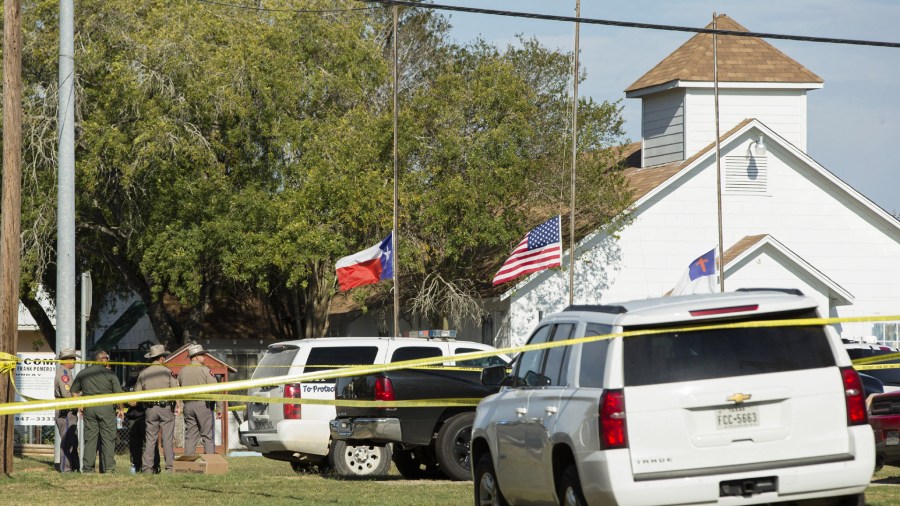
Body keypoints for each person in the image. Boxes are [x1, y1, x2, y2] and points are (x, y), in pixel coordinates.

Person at [70, 350, 125, 473]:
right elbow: (119, 393)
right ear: (103, 359)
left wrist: (80, 404)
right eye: (107, 358)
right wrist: (121, 409)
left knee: (90, 439)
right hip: (106, 408)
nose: (108, 361)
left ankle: (88, 468)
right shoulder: (109, 374)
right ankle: (109, 469)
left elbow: (74, 391)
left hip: (89, 408)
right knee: (108, 439)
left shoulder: (83, 373)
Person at [135, 344, 180, 473]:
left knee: (150, 440)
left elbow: (137, 395)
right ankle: (170, 468)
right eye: (164, 357)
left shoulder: (143, 373)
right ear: (161, 358)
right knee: (167, 439)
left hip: (150, 409)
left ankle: (147, 468)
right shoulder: (167, 372)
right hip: (166, 408)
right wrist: (178, 405)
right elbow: (175, 390)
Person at [178, 344, 220, 455]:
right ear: (196, 357)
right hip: (203, 405)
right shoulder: (205, 370)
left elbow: (177, 389)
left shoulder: (182, 371)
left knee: (190, 436)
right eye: (202, 355)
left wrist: (179, 405)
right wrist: (219, 407)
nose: (204, 357)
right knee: (207, 435)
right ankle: (211, 462)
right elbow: (216, 389)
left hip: (188, 406)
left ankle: (188, 462)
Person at [125, 375, 160, 474]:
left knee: (150, 442)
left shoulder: (150, 379)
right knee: (135, 444)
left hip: (147, 415)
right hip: (133, 416)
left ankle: (154, 466)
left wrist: (138, 401)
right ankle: (136, 466)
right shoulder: (132, 380)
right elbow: (127, 394)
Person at [54, 348, 80, 472]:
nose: (74, 361)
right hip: (66, 410)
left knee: (73, 440)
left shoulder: (67, 373)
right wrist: (80, 400)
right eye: (73, 358)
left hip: (69, 410)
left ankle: (74, 466)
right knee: (67, 441)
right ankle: (65, 468)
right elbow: (67, 393)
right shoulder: (64, 374)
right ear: (68, 360)